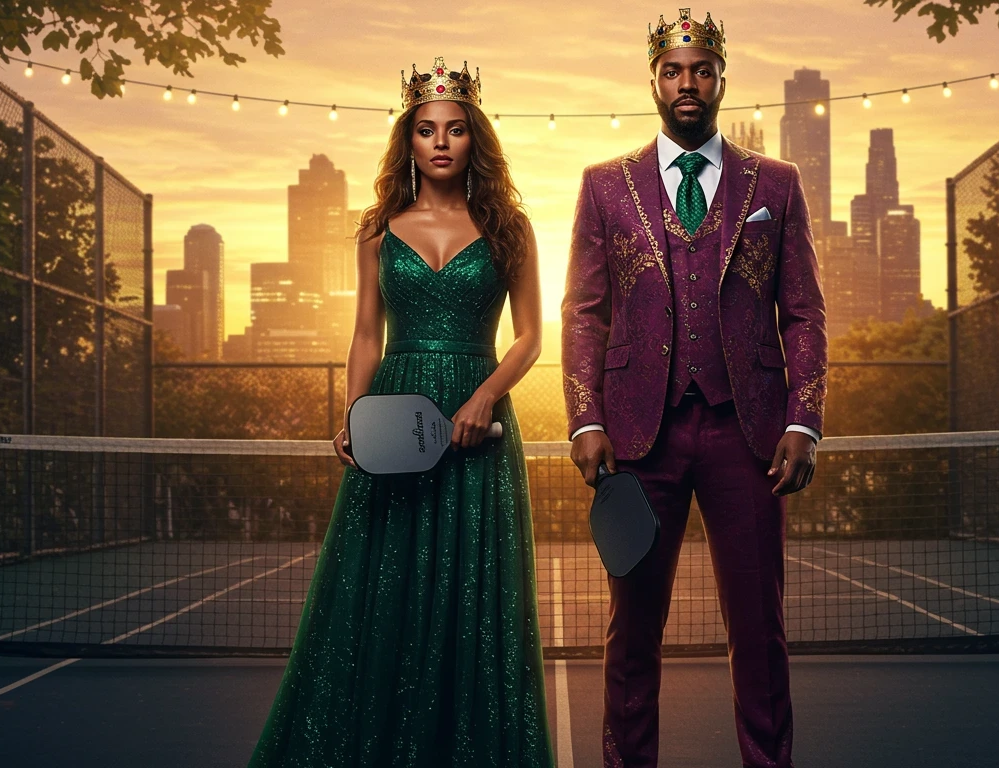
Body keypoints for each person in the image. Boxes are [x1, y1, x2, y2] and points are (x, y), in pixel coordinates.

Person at [249, 57, 555, 768]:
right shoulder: (377, 231)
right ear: (408, 142)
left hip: (479, 427)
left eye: (455, 129)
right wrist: (356, 416)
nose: (440, 142)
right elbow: (365, 334)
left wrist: (485, 396)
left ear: (475, 140)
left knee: (473, 601)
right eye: (425, 130)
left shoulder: (511, 228)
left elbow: (532, 338)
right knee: (380, 591)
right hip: (396, 422)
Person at [560, 8, 828, 768]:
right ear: (653, 81)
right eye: (673, 71)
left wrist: (804, 420)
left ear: (721, 79)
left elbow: (804, 312)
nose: (688, 83)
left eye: (701, 70)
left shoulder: (777, 182)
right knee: (632, 633)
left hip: (749, 435)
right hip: (638, 435)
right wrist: (585, 418)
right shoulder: (604, 186)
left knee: (760, 631)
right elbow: (582, 312)